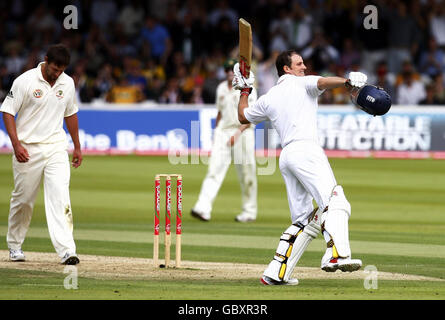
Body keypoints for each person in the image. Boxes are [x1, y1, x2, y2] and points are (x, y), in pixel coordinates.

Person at [233, 50, 364, 285]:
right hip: (306, 150)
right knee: (336, 201)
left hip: (287, 156)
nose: (304, 67)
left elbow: (243, 116)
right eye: (299, 63)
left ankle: (277, 272)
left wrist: (244, 90)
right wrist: (347, 81)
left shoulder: (269, 97)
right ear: (287, 69)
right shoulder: (302, 84)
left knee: (305, 219)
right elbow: (323, 81)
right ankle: (337, 255)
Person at [1, 44, 82, 265]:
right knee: (24, 199)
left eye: (62, 70)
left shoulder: (67, 82)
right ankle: (15, 245)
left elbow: (71, 114)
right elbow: (7, 111)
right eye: (55, 68)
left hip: (56, 146)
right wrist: (16, 144)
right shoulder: (25, 81)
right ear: (46, 60)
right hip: (27, 148)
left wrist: (77, 146)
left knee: (60, 196)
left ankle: (67, 250)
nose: (57, 74)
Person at [191, 58, 258, 222]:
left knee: (247, 174)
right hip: (223, 132)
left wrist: (237, 133)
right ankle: (203, 208)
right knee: (214, 170)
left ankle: (249, 211)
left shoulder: (248, 88)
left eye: (232, 70)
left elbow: (252, 116)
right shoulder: (221, 87)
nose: (229, 73)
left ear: (237, 72)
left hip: (243, 131)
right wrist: (216, 133)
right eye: (227, 70)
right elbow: (219, 113)